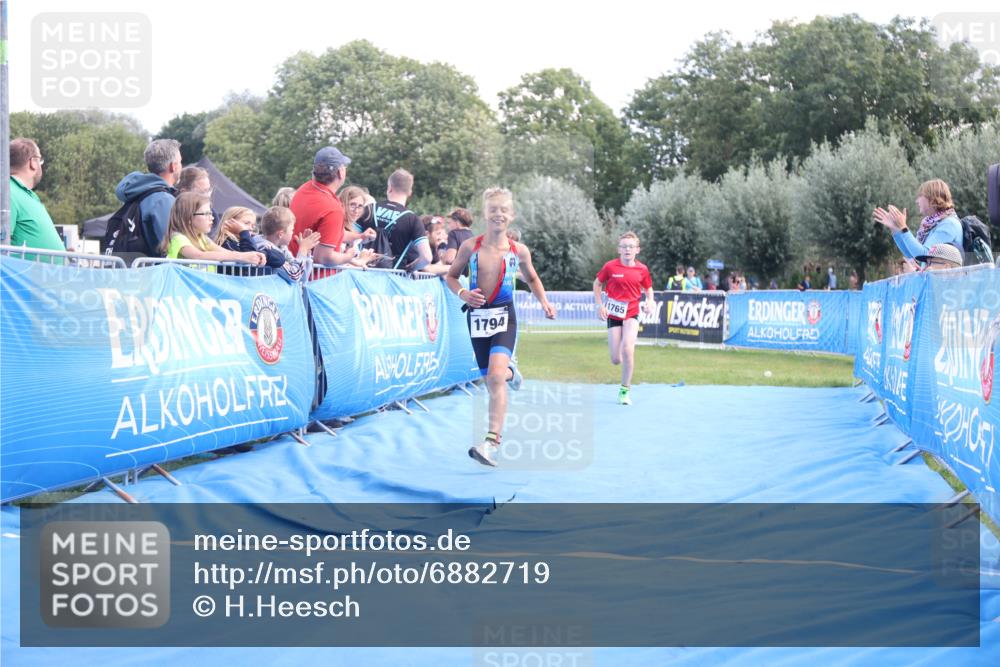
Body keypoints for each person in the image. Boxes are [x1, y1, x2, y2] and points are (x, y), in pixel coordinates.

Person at [446, 187, 555, 467]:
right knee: (492, 380)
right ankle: (512, 373)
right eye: (493, 209)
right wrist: (463, 294)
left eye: (504, 210)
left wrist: (544, 302)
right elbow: (451, 277)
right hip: (477, 318)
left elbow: (532, 279)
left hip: (505, 316)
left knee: (494, 377)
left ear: (512, 215)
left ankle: (491, 442)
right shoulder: (470, 247)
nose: (498, 214)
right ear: (485, 213)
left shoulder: (519, 251)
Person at [593, 231, 655, 406]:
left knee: (628, 348)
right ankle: (620, 357)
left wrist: (650, 301)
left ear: (637, 250)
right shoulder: (610, 267)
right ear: (619, 249)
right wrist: (600, 305)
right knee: (616, 359)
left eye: (631, 247)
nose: (627, 250)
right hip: (614, 314)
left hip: (632, 312)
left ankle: (624, 390)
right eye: (624, 246)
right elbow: (597, 284)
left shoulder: (642, 269)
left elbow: (648, 288)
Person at [288, 146, 373, 267]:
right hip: (317, 277)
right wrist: (349, 256)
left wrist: (361, 236)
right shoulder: (333, 209)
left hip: (294, 271)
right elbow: (323, 258)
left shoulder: (304, 189)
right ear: (341, 172)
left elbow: (330, 233)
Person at [160, 192, 265, 267]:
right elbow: (199, 256)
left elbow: (226, 253)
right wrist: (242, 257)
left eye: (210, 213)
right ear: (188, 218)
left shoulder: (202, 238)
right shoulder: (178, 238)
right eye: (206, 213)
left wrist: (250, 255)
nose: (212, 218)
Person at [114, 138, 182, 254]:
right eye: (180, 162)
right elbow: (171, 246)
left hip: (131, 263)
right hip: (155, 265)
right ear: (173, 166)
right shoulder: (163, 199)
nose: (181, 166)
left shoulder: (137, 192)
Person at [873, 179, 963, 266]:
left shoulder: (949, 224)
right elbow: (911, 254)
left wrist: (903, 228)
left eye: (920, 195)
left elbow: (923, 254)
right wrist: (895, 229)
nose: (917, 201)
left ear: (932, 198)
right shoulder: (929, 224)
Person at [358, 169, 432, 271]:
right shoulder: (413, 219)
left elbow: (350, 239)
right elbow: (427, 258)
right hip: (394, 276)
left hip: (362, 273)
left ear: (389, 188)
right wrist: (411, 268)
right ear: (410, 192)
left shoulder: (369, 209)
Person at [9, 138, 64, 254]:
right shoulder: (6, 192)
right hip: (27, 267)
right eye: (40, 160)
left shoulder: (27, 194)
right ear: (33, 162)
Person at [256, 206, 322, 282]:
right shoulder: (267, 249)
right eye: (291, 230)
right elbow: (294, 276)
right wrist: (302, 250)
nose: (292, 233)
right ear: (281, 234)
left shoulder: (282, 248)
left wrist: (306, 253)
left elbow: (301, 278)